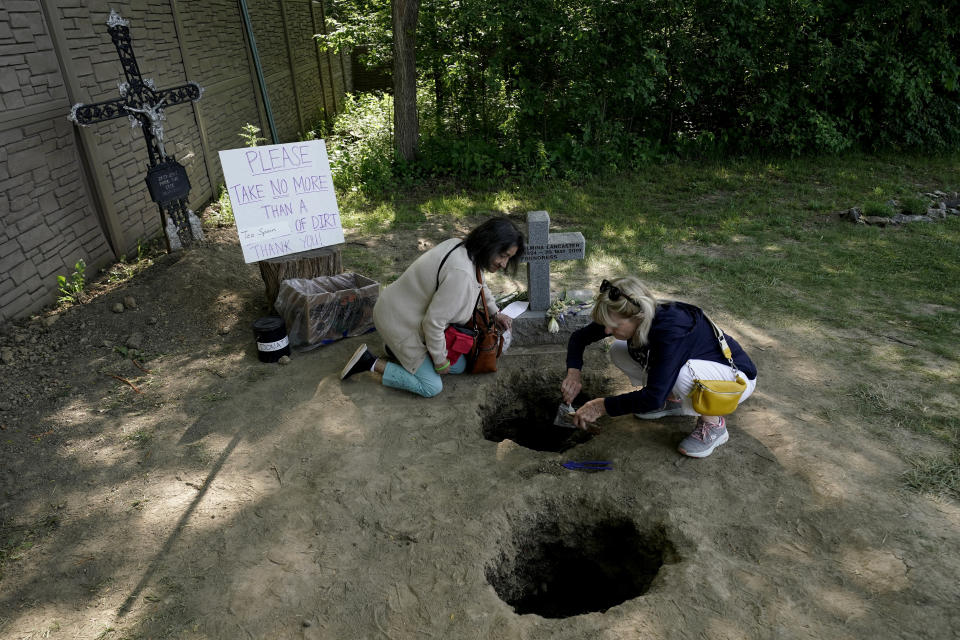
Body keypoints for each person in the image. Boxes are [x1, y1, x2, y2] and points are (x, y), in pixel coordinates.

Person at [561, 276, 757, 458]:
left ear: (637, 316)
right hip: (702, 370)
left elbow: (652, 397)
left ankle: (714, 424)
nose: (606, 331)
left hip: (734, 381)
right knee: (619, 349)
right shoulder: (626, 314)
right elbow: (579, 338)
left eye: (613, 326)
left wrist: (600, 406)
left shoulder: (671, 331)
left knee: (681, 373)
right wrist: (573, 374)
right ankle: (672, 400)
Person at [340, 217, 525, 397]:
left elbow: (480, 281)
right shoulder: (461, 274)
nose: (504, 264)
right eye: (503, 255)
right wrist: (439, 361)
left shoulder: (462, 246)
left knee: (458, 366)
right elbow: (434, 322)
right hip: (399, 321)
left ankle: (393, 349)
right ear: (488, 243)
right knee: (431, 386)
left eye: (509, 258)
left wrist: (495, 313)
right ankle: (369, 362)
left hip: (400, 309)